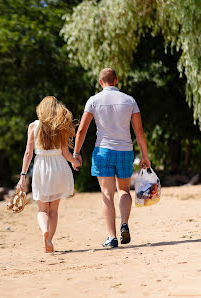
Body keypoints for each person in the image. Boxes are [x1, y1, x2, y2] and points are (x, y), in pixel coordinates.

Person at [73, 68, 151, 248]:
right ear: (116, 80)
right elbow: (139, 130)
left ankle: (112, 237)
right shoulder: (129, 100)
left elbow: (82, 130)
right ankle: (124, 223)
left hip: (103, 151)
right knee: (123, 190)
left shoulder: (93, 101)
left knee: (107, 195)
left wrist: (76, 153)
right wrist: (144, 155)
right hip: (125, 150)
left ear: (101, 82)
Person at [17, 96, 80, 253]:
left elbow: (27, 153)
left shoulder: (33, 126)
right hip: (58, 167)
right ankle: (50, 239)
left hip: (41, 168)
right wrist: (74, 162)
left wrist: (22, 176)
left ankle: (45, 231)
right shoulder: (60, 126)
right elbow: (65, 152)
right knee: (54, 210)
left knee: (42, 209)